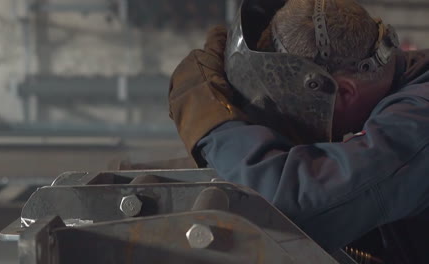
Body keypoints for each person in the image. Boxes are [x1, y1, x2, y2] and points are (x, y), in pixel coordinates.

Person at [168, 0, 429, 262]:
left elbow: (285, 208)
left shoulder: (417, 124)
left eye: (297, 107)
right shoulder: (407, 84)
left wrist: (210, 117)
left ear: (346, 91)